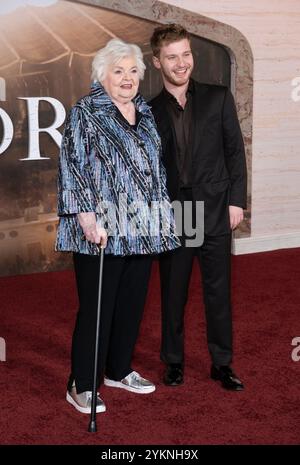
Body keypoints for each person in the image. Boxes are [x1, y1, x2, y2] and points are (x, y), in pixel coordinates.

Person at [55, 38, 180, 414]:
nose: (127, 78)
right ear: (102, 76)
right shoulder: (85, 112)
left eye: (132, 71)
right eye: (118, 71)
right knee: (98, 307)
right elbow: (72, 167)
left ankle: (118, 369)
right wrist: (87, 219)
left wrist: (161, 220)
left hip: (142, 227)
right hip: (101, 228)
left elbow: (155, 171)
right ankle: (82, 383)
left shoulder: (143, 111)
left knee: (131, 303)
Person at [149, 24, 247, 390]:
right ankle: (173, 361)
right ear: (157, 62)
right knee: (174, 292)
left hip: (217, 206)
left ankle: (222, 363)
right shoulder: (150, 109)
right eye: (172, 57)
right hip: (177, 211)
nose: (181, 63)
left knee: (218, 291)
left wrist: (237, 200)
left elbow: (235, 152)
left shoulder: (218, 97)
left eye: (185, 54)